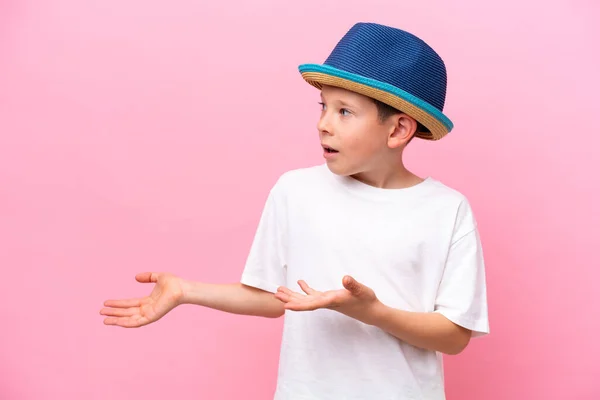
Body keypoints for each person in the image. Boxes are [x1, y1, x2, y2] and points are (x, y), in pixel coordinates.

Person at [100, 22, 489, 399]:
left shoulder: (446, 210)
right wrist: (185, 290)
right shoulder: (296, 191)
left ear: (398, 130)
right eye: (323, 107)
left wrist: (372, 312)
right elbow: (274, 298)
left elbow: (454, 337)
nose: (323, 124)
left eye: (344, 112)